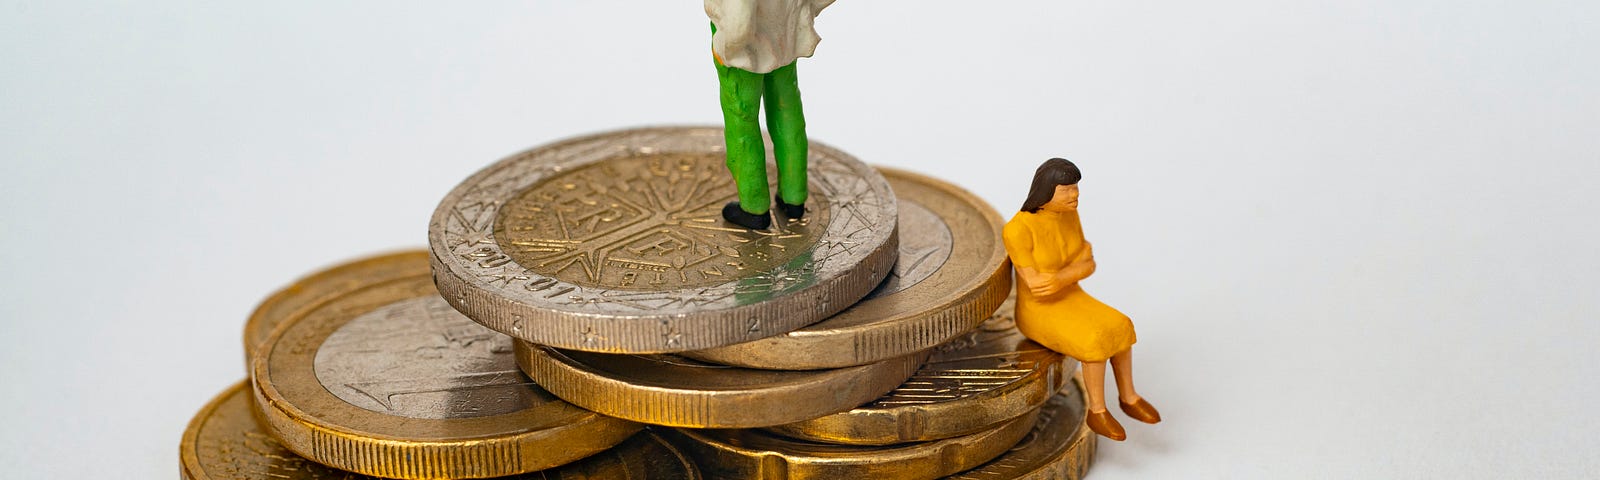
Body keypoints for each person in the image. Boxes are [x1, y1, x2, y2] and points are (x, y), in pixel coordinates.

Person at [1002, 158, 1162, 441]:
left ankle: (1129, 396)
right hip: (1038, 311)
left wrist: (1061, 276)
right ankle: (1097, 410)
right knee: (1094, 339)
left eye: (1075, 188)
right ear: (1045, 191)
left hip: (1072, 296)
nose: (1074, 195)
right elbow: (1038, 286)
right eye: (1065, 190)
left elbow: (1089, 265)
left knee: (1122, 325)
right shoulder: (1018, 229)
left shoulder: (1070, 216)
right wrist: (1071, 271)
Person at [705, 0, 837, 229]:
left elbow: (739, 19)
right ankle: (794, 196)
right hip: (786, 35)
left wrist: (726, 46)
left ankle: (753, 205)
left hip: (743, 49)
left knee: (742, 121)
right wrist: (803, 15)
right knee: (787, 109)